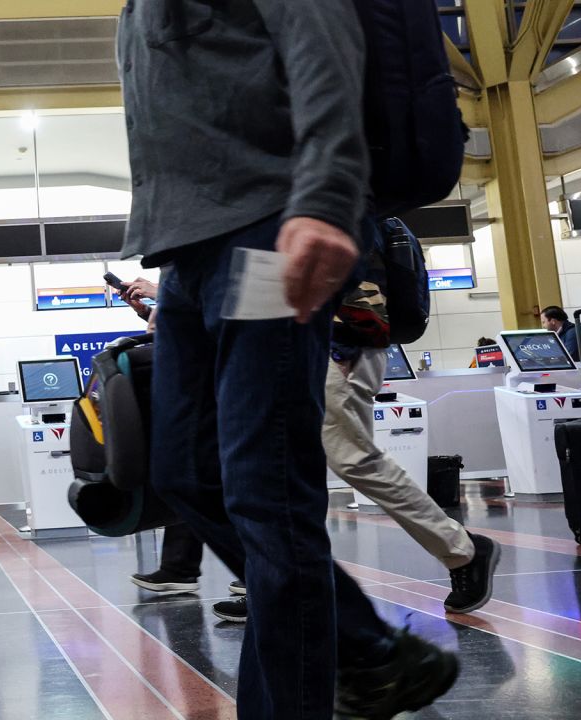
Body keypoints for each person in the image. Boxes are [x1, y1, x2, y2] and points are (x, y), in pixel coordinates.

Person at [119, 2, 457, 718]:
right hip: (188, 252)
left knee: (265, 494)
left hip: (268, 228)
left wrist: (329, 200)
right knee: (186, 472)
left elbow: (323, 40)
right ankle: (368, 649)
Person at [213, 227, 500, 621]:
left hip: (333, 349)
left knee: (353, 459)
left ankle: (462, 549)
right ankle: (274, 584)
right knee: (279, 468)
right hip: (299, 348)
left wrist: (341, 346)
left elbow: (357, 278)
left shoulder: (336, 191)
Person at [118, 277, 247, 607]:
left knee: (213, 478)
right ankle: (179, 568)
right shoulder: (183, 265)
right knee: (184, 478)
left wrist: (162, 293)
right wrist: (146, 310)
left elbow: (224, 306)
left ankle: (262, 573)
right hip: (196, 375)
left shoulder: (208, 256)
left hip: (222, 378)